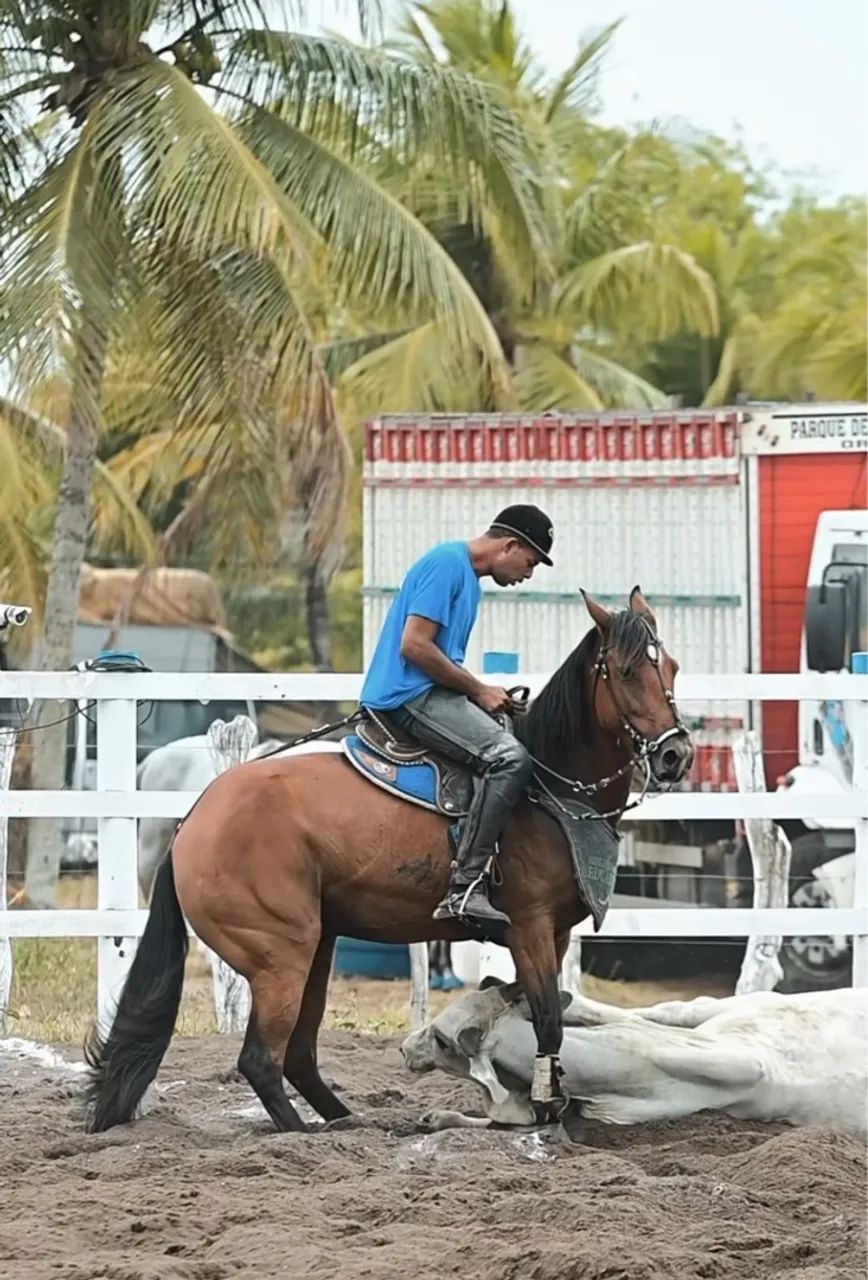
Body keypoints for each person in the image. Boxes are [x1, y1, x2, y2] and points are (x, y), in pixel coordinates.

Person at [359, 505, 554, 935]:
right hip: (407, 694)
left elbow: (442, 657)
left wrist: (486, 697)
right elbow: (415, 647)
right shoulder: (447, 565)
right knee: (509, 759)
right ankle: (465, 886)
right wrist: (478, 690)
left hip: (431, 692)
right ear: (509, 545)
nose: (529, 574)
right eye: (531, 562)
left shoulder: (469, 579)